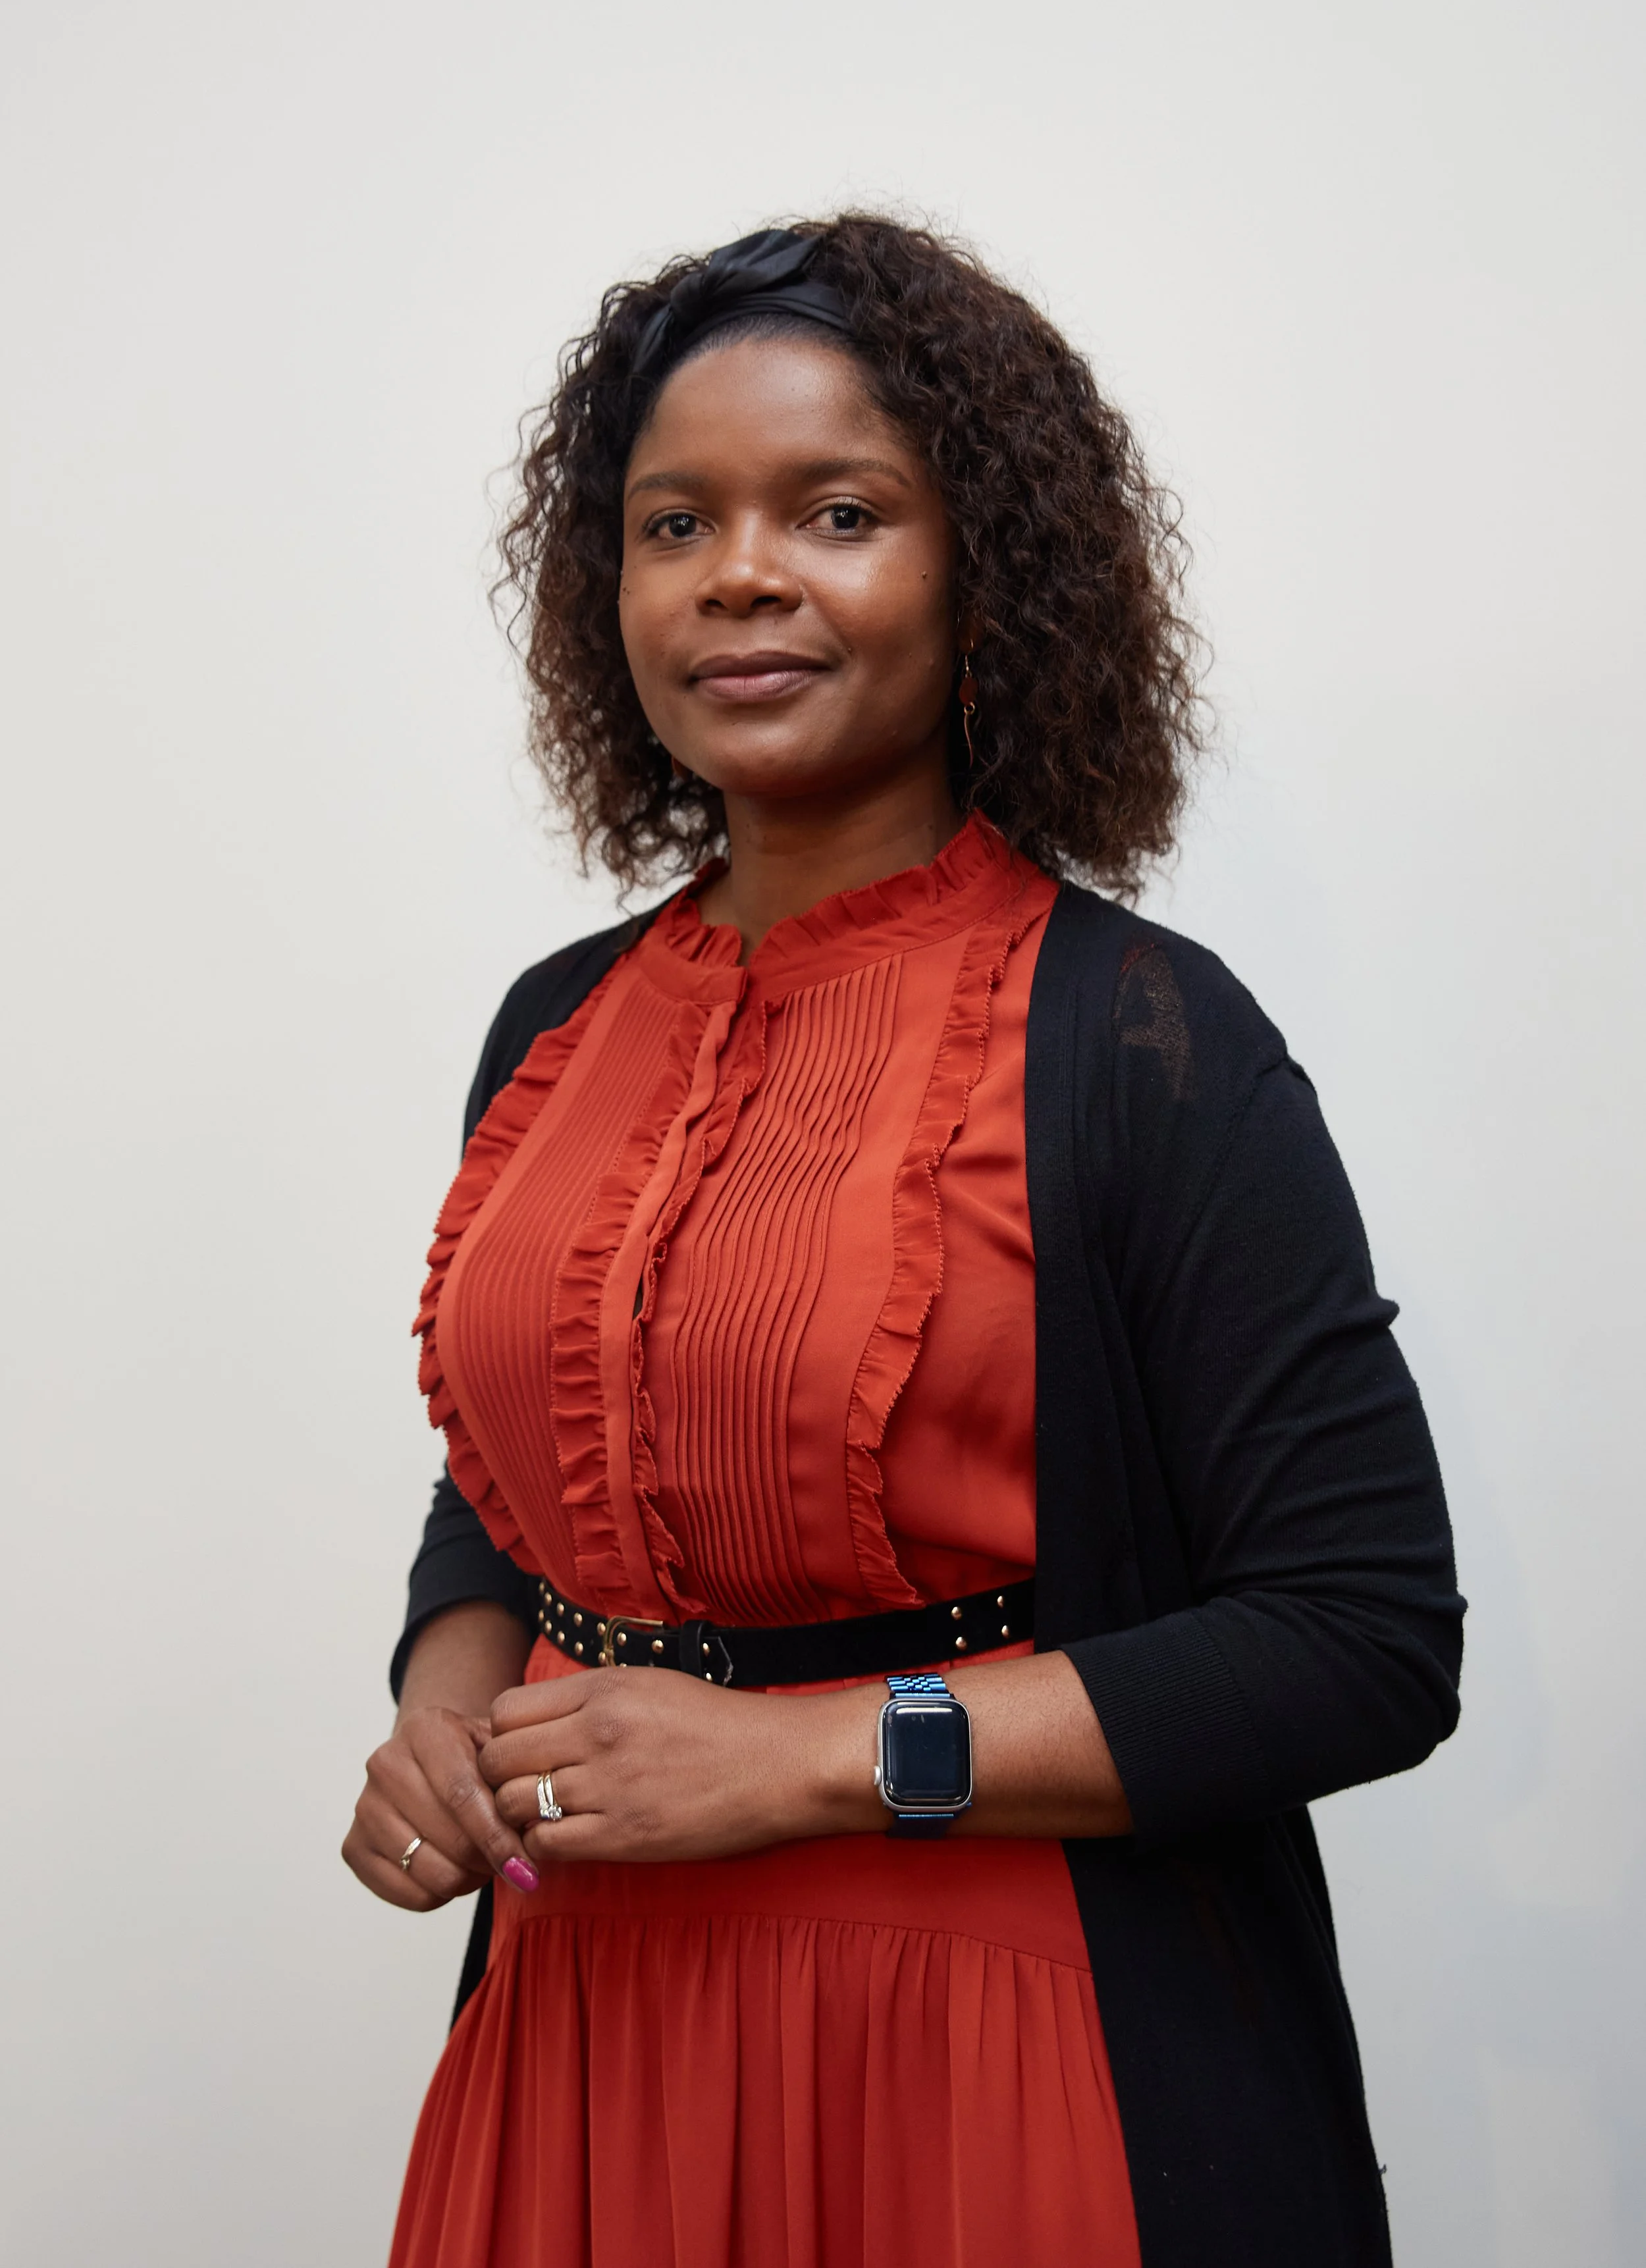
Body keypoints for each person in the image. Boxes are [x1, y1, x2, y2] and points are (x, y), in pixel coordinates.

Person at [342, 218, 1464, 2268]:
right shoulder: (555, 1024)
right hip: (586, 2021)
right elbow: (516, 1483)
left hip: (996, 2056)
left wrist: (795, 1759)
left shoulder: (1141, 1037)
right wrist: (447, 1705)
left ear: (982, 579)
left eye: (838, 512)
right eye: (675, 522)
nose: (739, 572)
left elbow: (1356, 1637)